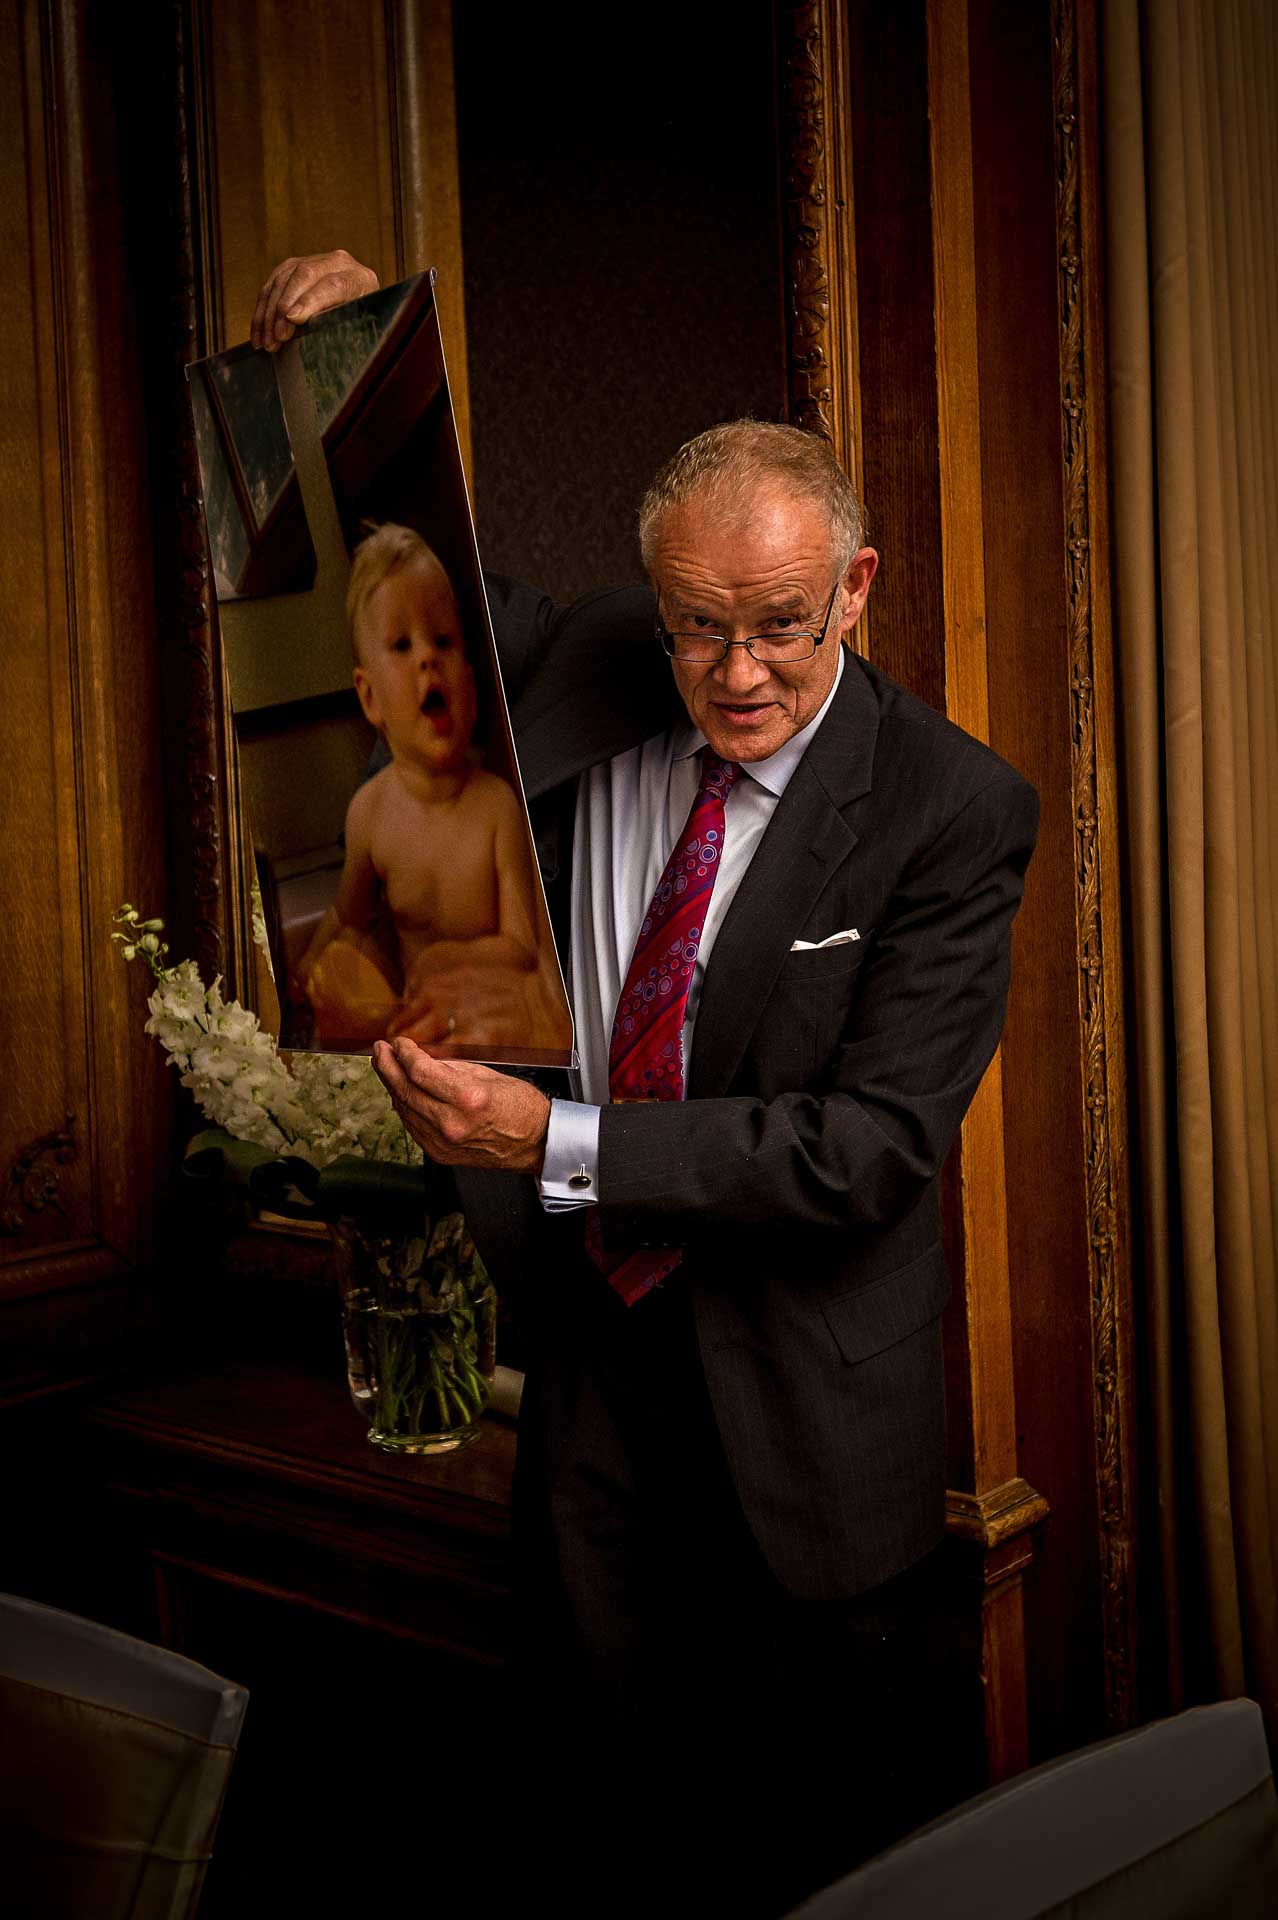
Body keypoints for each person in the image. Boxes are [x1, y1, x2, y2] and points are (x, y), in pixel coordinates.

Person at [253, 256, 1039, 1913]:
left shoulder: (951, 812)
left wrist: (557, 1137)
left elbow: (868, 1152)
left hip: (814, 1432)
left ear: (854, 590)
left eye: (777, 626)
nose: (734, 671)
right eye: (697, 627)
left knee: (824, 1864)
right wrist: (328, 360)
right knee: (595, 1833)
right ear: (650, 603)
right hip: (593, 1395)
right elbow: (394, 568)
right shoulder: (586, 663)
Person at [295, 521, 554, 1052]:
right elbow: (348, 913)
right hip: (410, 1030)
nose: (427, 658)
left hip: (481, 1029)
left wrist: (447, 958)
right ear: (370, 699)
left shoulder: (496, 808)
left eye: (443, 640)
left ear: (473, 688)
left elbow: (524, 945)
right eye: (402, 644)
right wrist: (309, 969)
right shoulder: (369, 812)